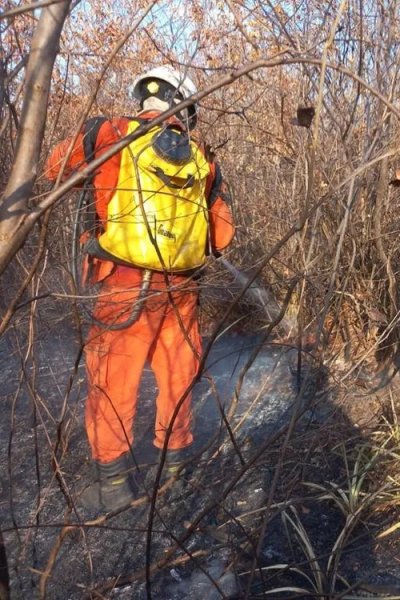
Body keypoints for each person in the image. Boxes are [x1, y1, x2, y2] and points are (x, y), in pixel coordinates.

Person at [45, 65, 235, 513]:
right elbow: (222, 236)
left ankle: (113, 484)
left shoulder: (110, 133)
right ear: (186, 110)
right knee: (178, 377)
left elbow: (54, 168)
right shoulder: (203, 158)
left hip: (123, 284)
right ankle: (175, 471)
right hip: (182, 289)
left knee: (113, 381)